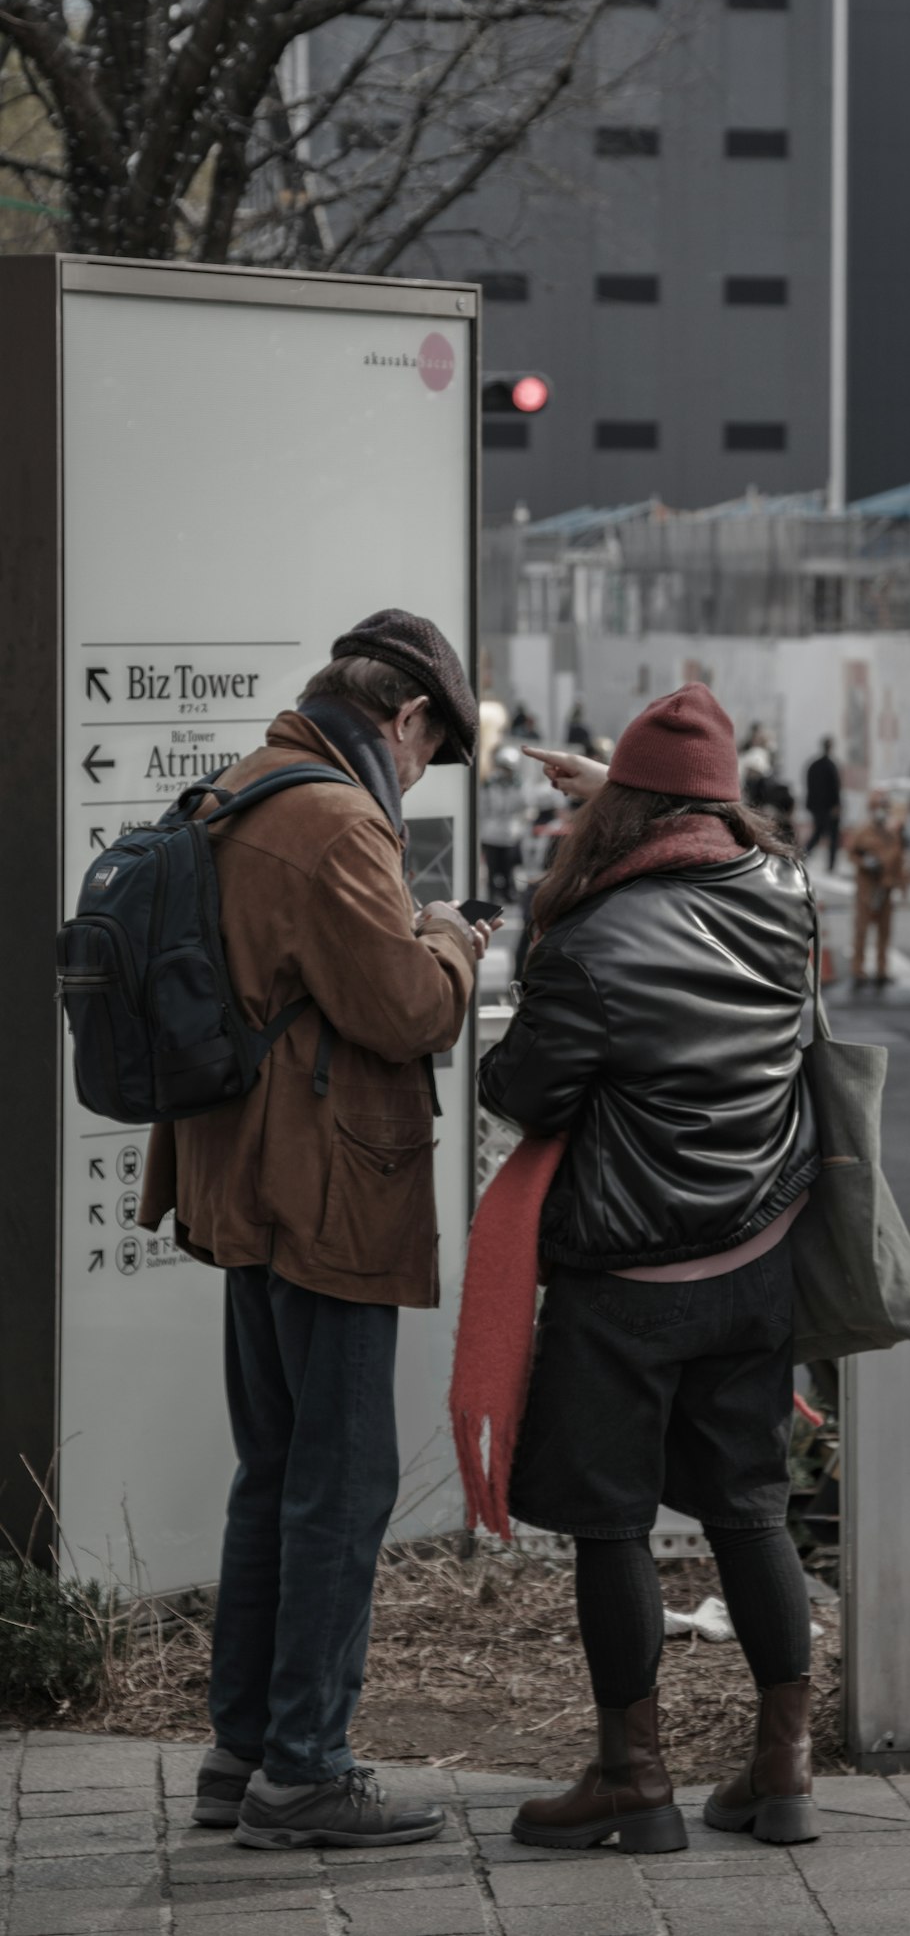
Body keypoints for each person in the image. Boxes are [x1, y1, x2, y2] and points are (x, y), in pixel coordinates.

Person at [137, 611, 494, 1846]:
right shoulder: (337, 818)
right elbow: (403, 1012)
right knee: (340, 1487)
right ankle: (308, 1770)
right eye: (430, 750)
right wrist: (451, 935)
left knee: (275, 1474)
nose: (420, 772)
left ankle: (242, 1757)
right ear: (404, 720)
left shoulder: (245, 784)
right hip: (328, 1191)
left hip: (240, 1178)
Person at [479, 687, 823, 1850]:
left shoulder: (592, 936)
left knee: (612, 1526)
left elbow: (524, 1092)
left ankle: (634, 1776)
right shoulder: (789, 900)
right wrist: (622, 790)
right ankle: (783, 1770)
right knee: (748, 1512)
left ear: (625, 811)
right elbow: (695, 835)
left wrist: (579, 864)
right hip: (756, 1262)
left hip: (625, 1284)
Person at [846, 788, 906, 986]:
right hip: (867, 887)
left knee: (885, 930)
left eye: (883, 807)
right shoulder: (863, 831)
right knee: (862, 929)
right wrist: (865, 862)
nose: (881, 811)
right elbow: (852, 854)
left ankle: (882, 968)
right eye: (877, 807)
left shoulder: (892, 833)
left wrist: (901, 885)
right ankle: (858, 967)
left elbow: (899, 859)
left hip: (886, 887)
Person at [480, 741, 525, 902]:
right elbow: (483, 807)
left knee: (509, 868)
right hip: (491, 833)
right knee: (492, 868)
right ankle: (492, 895)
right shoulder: (489, 784)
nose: (506, 772)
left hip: (510, 833)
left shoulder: (519, 785)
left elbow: (524, 805)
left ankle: (509, 893)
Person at [804, 736, 842, 872]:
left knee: (818, 833)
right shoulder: (830, 766)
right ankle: (830, 865)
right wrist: (836, 806)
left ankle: (804, 855)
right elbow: (835, 788)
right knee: (831, 836)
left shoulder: (814, 765)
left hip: (816, 807)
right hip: (828, 808)